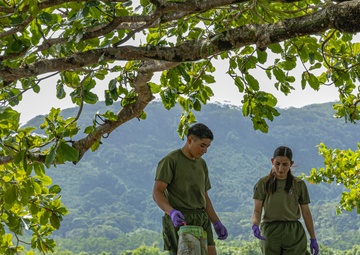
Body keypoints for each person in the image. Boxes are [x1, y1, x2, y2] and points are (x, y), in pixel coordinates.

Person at [152, 123, 228, 255]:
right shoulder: (171, 160)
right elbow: (157, 192)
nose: (204, 150)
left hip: (201, 218)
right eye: (202, 145)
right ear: (190, 140)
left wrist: (216, 222)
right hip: (180, 220)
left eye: (207, 147)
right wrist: (171, 212)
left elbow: (204, 196)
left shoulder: (202, 164)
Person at [251, 146, 319, 255]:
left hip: (293, 232)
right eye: (277, 164)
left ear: (291, 164)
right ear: (272, 162)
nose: (280, 168)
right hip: (270, 231)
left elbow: (306, 212)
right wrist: (255, 224)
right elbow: (257, 210)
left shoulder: (298, 184)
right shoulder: (263, 183)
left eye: (285, 165)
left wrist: (313, 238)